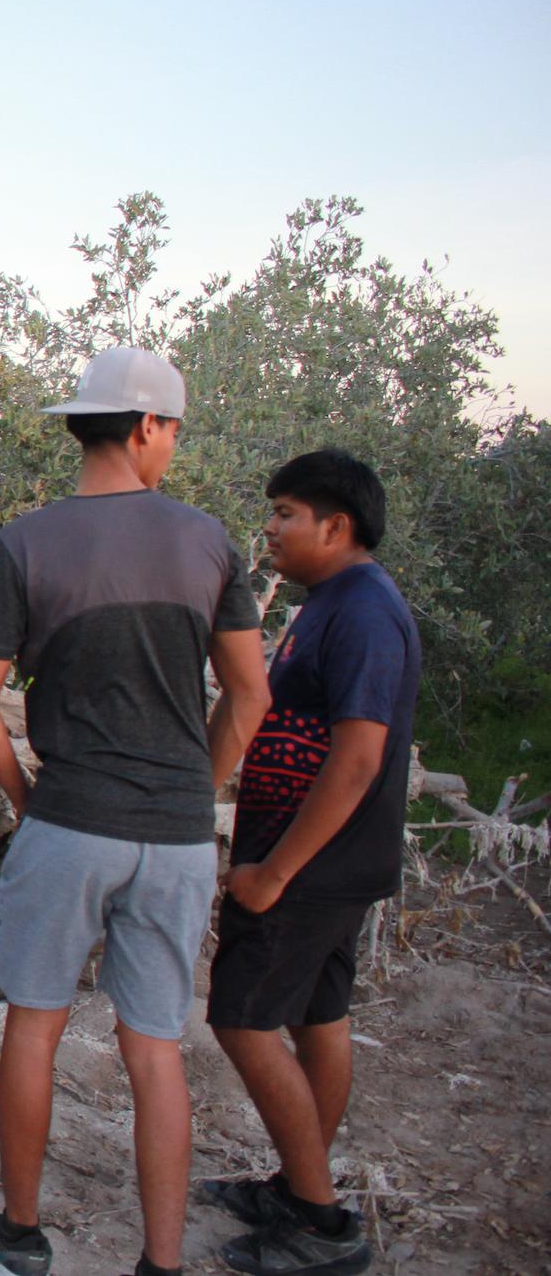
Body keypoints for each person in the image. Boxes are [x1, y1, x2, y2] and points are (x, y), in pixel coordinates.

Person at [0, 347, 271, 1276]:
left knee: (35, 1021)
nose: (171, 445)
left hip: (69, 820)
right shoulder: (211, 541)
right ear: (143, 428)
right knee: (156, 1046)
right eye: (172, 429)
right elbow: (248, 696)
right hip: (175, 834)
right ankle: (160, 1263)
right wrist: (195, 788)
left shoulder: (24, 543)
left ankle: (19, 1234)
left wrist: (25, 798)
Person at [202, 450, 415, 1276]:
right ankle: (300, 1185)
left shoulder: (363, 610)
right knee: (317, 1018)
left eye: (287, 513)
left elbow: (359, 757)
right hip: (332, 864)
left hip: (311, 866)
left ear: (337, 524)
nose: (272, 528)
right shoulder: (334, 602)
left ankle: (322, 1226)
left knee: (240, 1016)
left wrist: (274, 871)